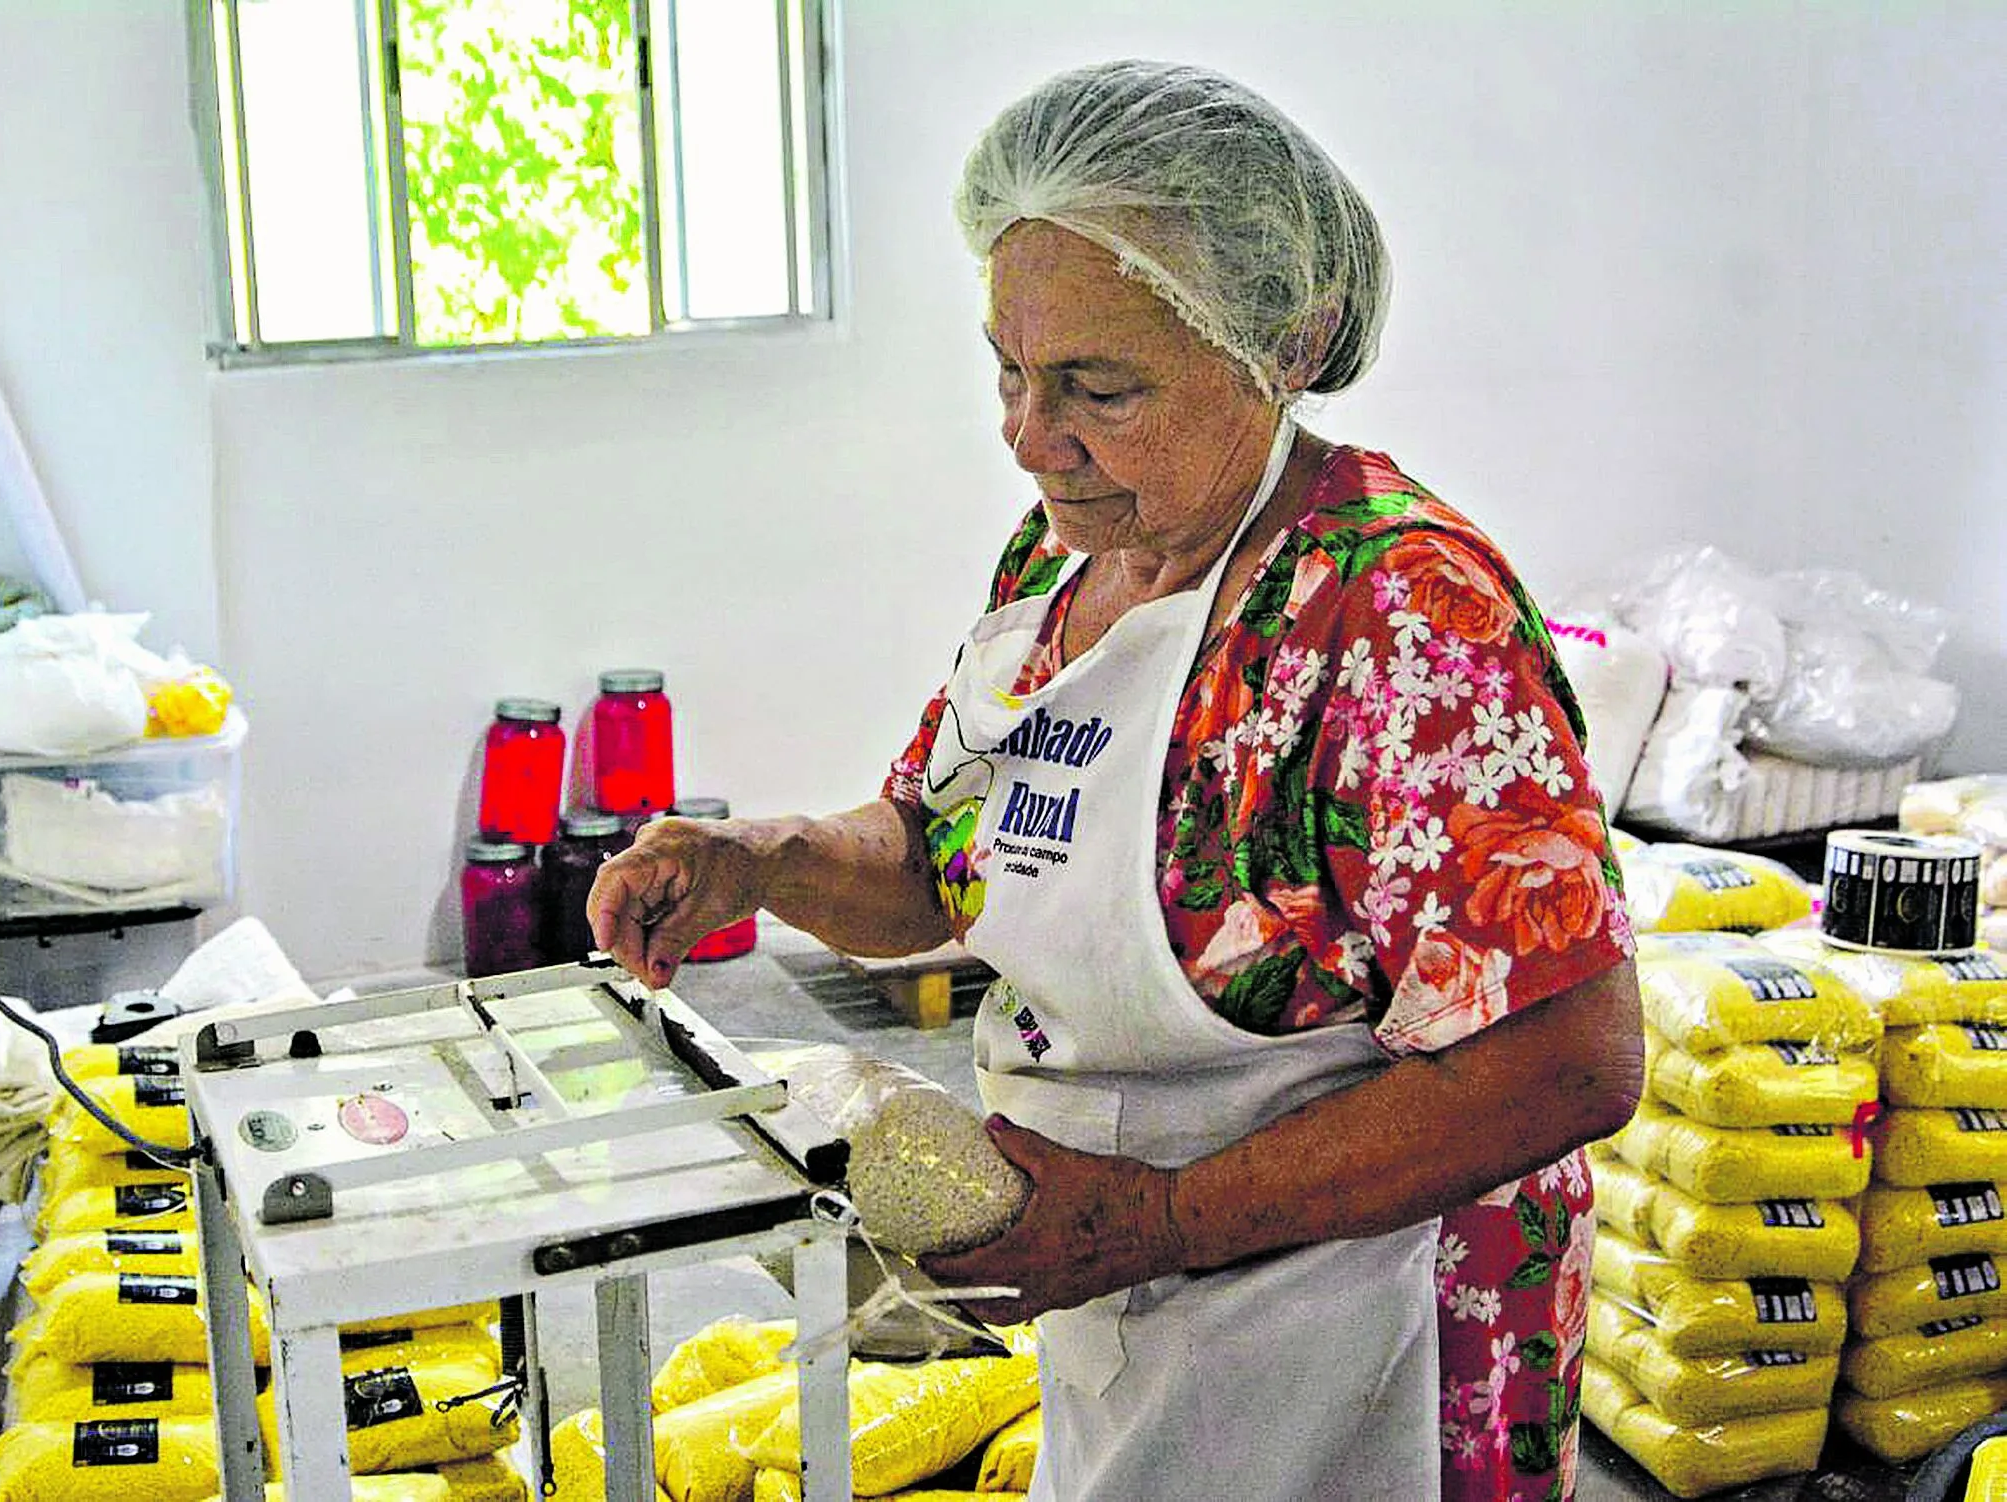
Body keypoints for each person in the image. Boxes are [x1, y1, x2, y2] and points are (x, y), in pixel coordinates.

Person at [590, 59, 1642, 1501]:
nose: (1028, 436)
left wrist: (1156, 1218)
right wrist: (761, 858)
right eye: (1009, 372)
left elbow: (1569, 1055)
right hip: (1124, 1312)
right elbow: (939, 856)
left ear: (1288, 340)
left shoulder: (1397, 615)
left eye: (1098, 386)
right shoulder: (1061, 562)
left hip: (1371, 1346)